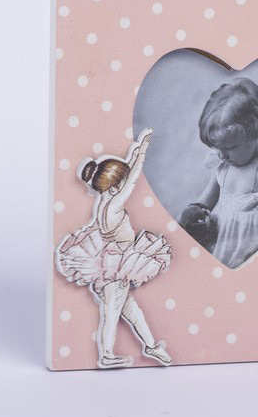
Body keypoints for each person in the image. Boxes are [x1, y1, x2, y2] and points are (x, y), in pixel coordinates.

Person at [55, 128, 172, 368]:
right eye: (120, 183)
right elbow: (133, 177)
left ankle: (151, 346)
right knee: (111, 313)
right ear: (113, 186)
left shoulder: (102, 203)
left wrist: (135, 152)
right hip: (116, 269)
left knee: (131, 311)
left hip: (110, 267)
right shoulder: (114, 206)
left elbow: (127, 171)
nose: (124, 187)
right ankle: (107, 354)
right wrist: (143, 151)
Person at [180, 78, 258, 269]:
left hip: (250, 243)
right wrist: (191, 213)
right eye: (218, 148)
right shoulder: (224, 165)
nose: (222, 155)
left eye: (230, 147)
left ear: (253, 132)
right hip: (221, 238)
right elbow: (207, 199)